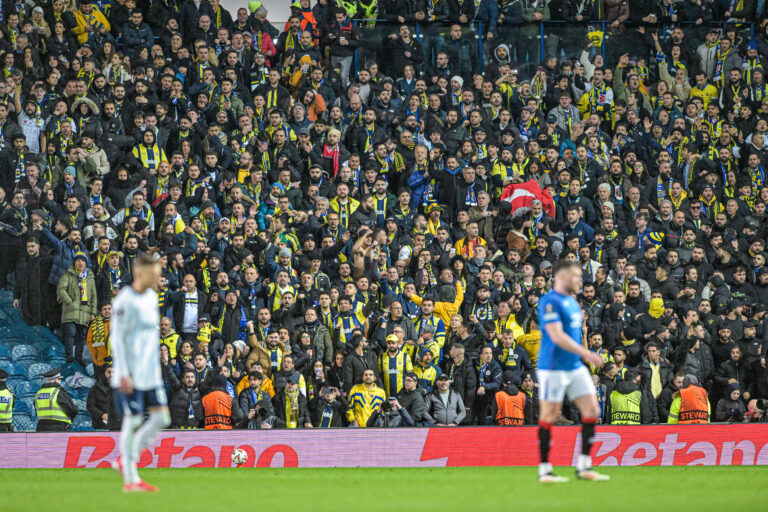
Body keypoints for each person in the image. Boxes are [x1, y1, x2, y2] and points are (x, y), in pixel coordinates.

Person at [536, 261, 609, 482]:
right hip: (553, 367)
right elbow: (556, 336)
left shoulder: (573, 303)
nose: (579, 280)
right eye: (576, 276)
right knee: (550, 415)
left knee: (592, 410)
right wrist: (586, 354)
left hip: (574, 366)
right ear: (562, 276)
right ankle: (545, 470)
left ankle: (584, 466)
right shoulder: (550, 301)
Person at [110, 253, 170, 492]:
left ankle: (125, 457)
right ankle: (131, 480)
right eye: (153, 275)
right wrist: (123, 372)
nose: (157, 279)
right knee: (133, 420)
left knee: (161, 418)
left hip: (150, 373)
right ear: (139, 274)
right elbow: (117, 338)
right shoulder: (125, 300)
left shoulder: (152, 298)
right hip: (130, 373)